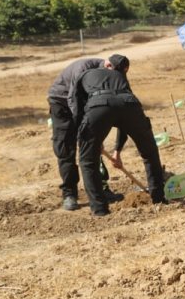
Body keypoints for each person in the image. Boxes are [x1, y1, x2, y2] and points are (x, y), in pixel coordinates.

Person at [71, 55, 167, 216]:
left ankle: (100, 210)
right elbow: (124, 116)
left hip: (98, 106)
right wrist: (117, 150)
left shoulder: (84, 76)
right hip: (130, 104)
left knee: (88, 161)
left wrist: (87, 137)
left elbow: (77, 108)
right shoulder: (119, 76)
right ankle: (159, 198)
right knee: (149, 153)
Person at [48, 55, 115, 210]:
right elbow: (73, 99)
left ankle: (101, 188)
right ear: (107, 66)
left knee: (92, 144)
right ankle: (69, 194)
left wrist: (95, 135)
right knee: (66, 148)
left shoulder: (107, 75)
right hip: (62, 102)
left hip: (81, 105)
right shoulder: (84, 68)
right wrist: (82, 128)